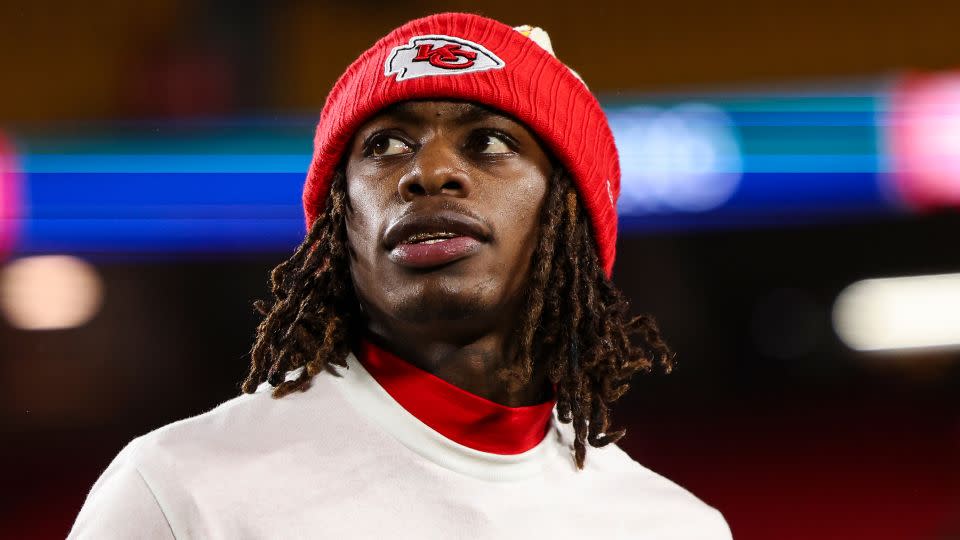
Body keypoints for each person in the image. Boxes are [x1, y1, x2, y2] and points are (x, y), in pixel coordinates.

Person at [69, 13, 732, 539]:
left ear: (573, 219)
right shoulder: (178, 490)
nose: (428, 172)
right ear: (338, 224)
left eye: (489, 141)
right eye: (384, 145)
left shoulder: (673, 527)